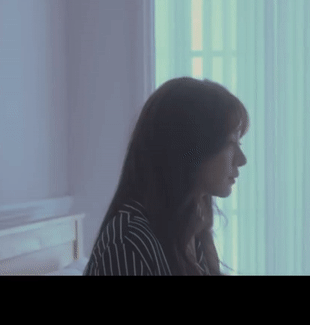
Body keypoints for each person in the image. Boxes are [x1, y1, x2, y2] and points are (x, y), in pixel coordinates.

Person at [83, 77, 248, 275]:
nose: (242, 159)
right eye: (230, 142)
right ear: (190, 149)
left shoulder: (190, 227)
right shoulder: (128, 241)